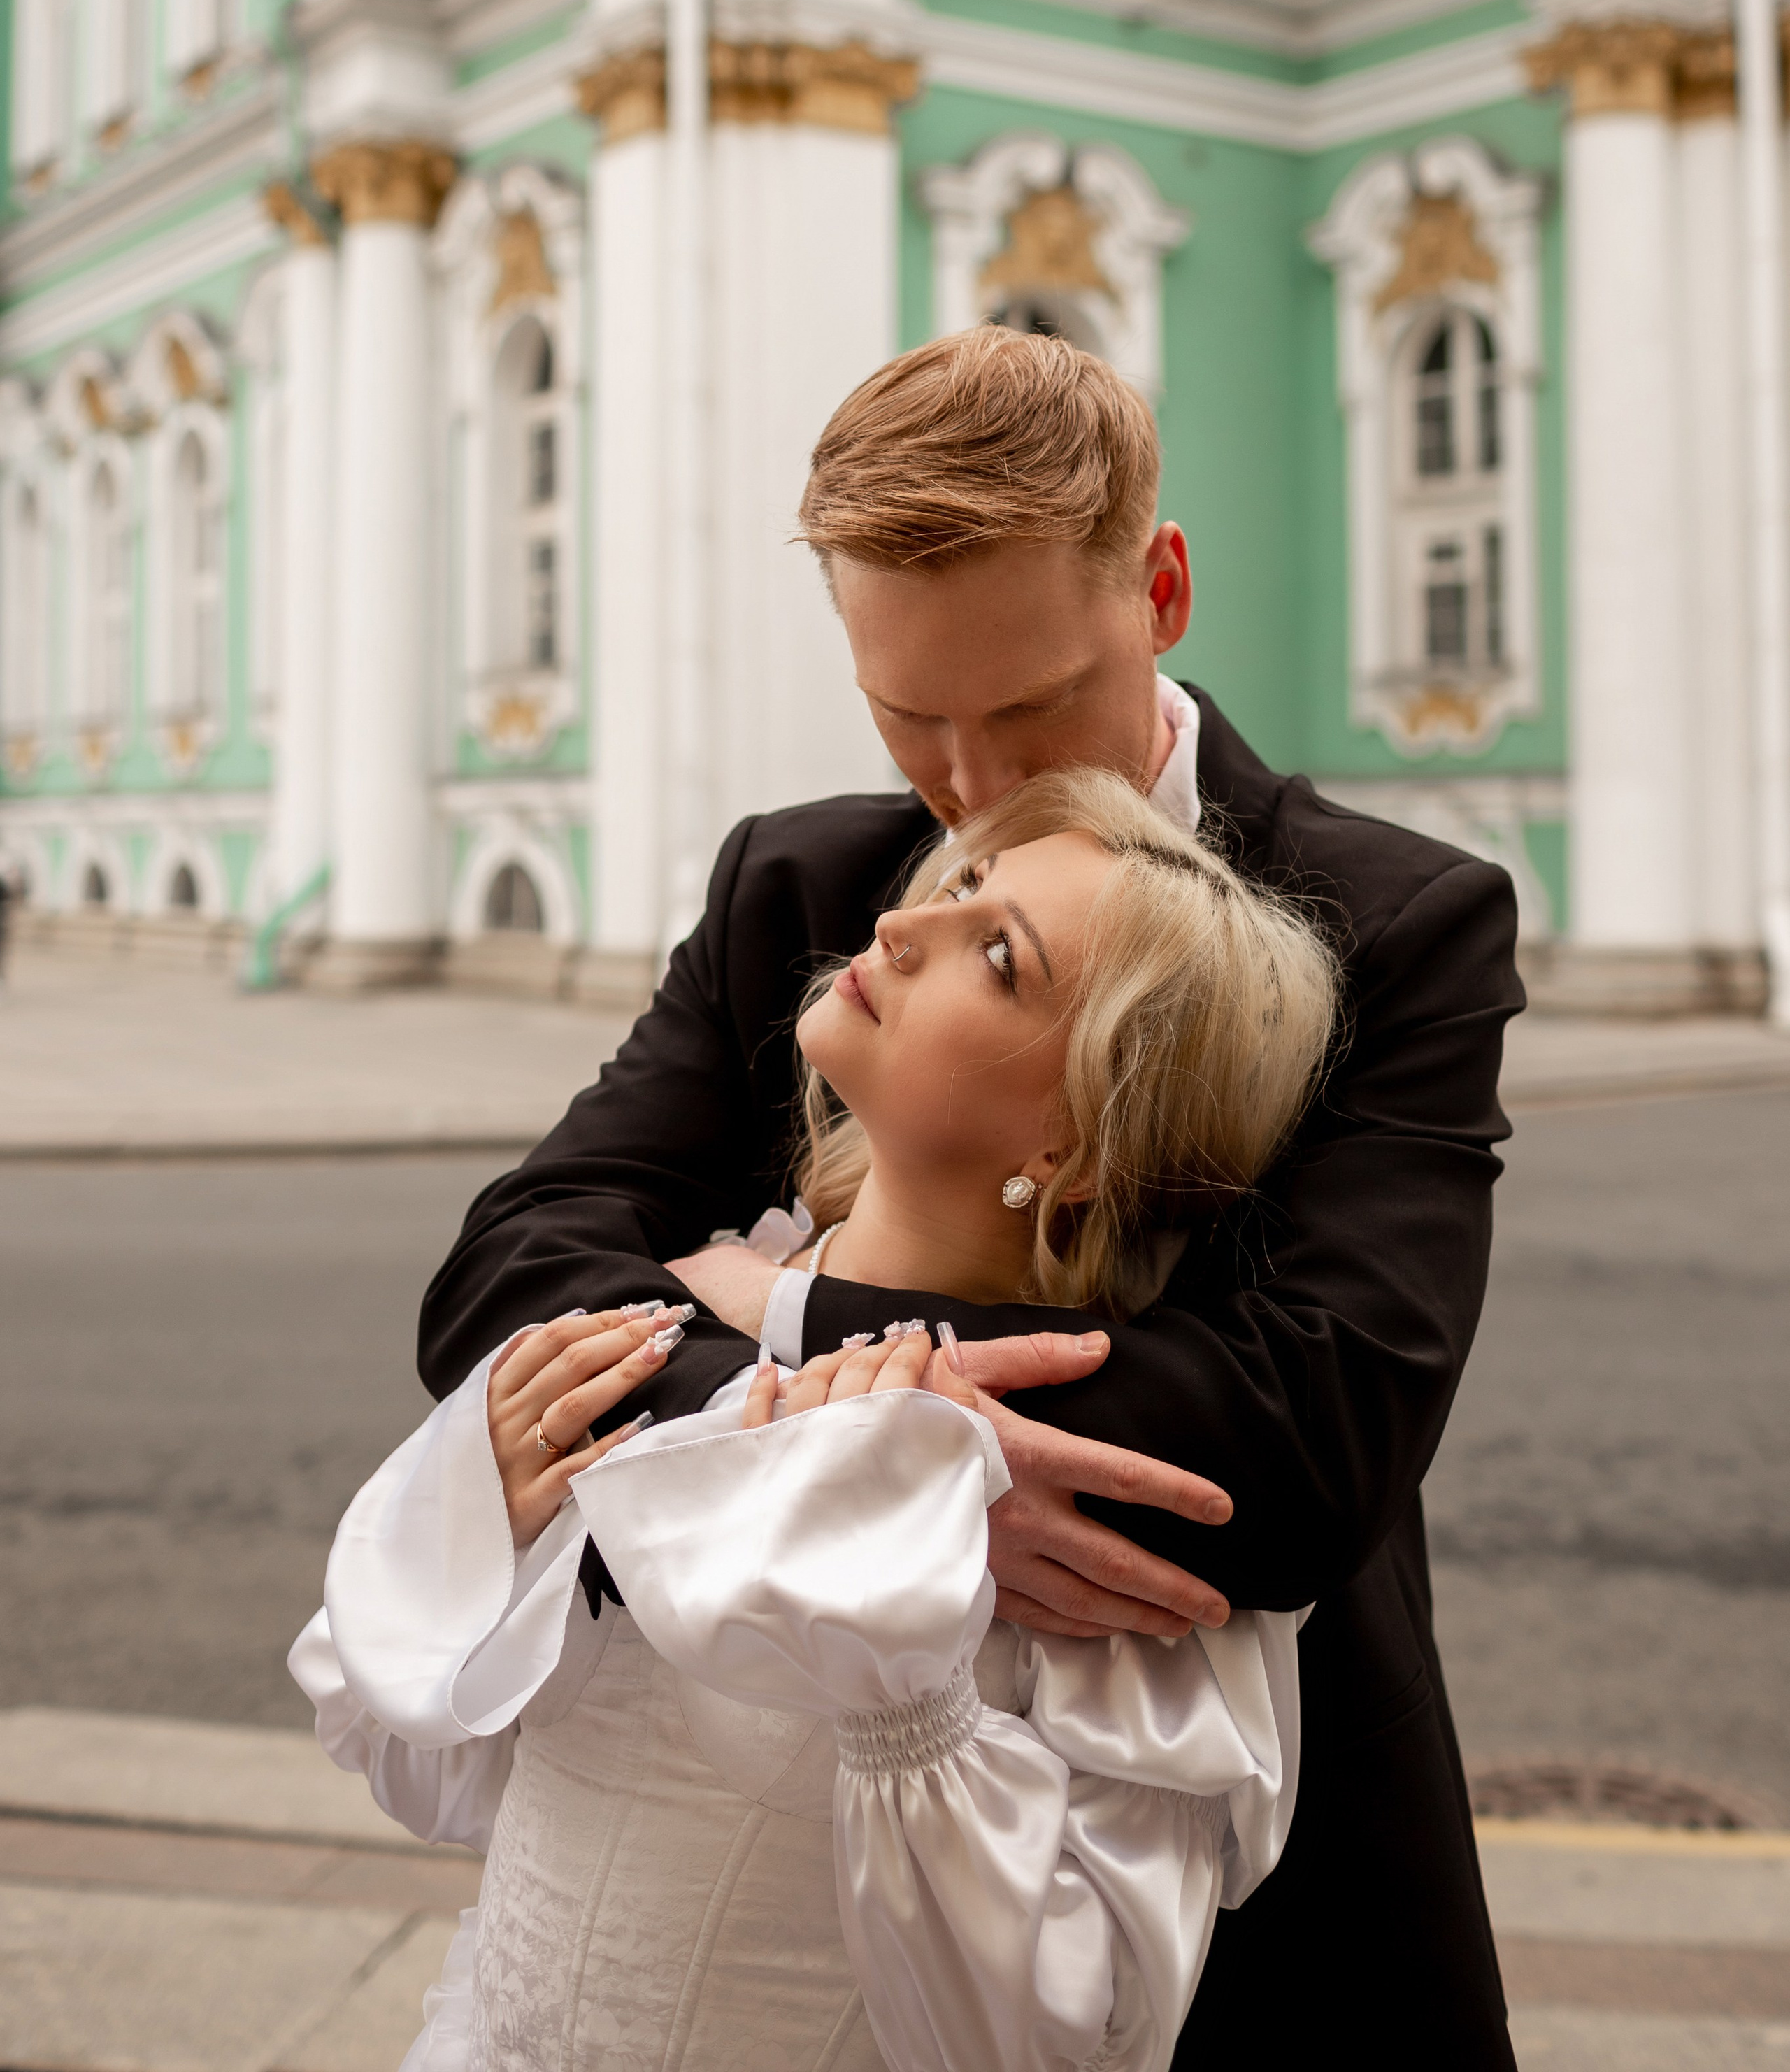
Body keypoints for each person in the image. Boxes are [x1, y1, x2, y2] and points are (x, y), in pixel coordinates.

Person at [417, 327, 1525, 2066]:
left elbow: (1310, 1442)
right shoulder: (799, 878)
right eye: (903, 713)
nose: (966, 786)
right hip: (809, 1903)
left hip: (1273, 1881)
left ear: (1155, 588)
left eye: (1022, 709)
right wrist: (868, 1468)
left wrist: (793, 1355)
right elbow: (504, 1285)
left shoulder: (1395, 921)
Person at [295, 769, 1338, 2071]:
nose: (905, 926)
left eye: (998, 957)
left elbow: (1050, 2038)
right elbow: (430, 1774)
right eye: (960, 887)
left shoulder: (1084, 1511)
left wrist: (900, 1692)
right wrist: (486, 1539)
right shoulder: (660, 1325)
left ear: (1068, 1145)